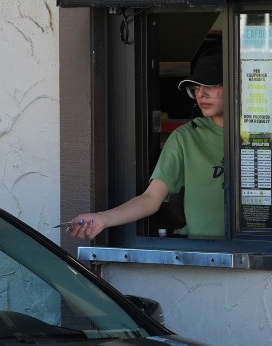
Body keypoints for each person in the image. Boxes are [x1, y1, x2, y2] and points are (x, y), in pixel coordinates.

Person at [69, 41, 225, 240]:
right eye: (196, 87)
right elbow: (151, 199)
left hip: (260, 251)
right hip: (206, 256)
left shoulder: (262, 137)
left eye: (211, 85)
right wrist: (102, 218)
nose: (201, 94)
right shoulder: (186, 138)